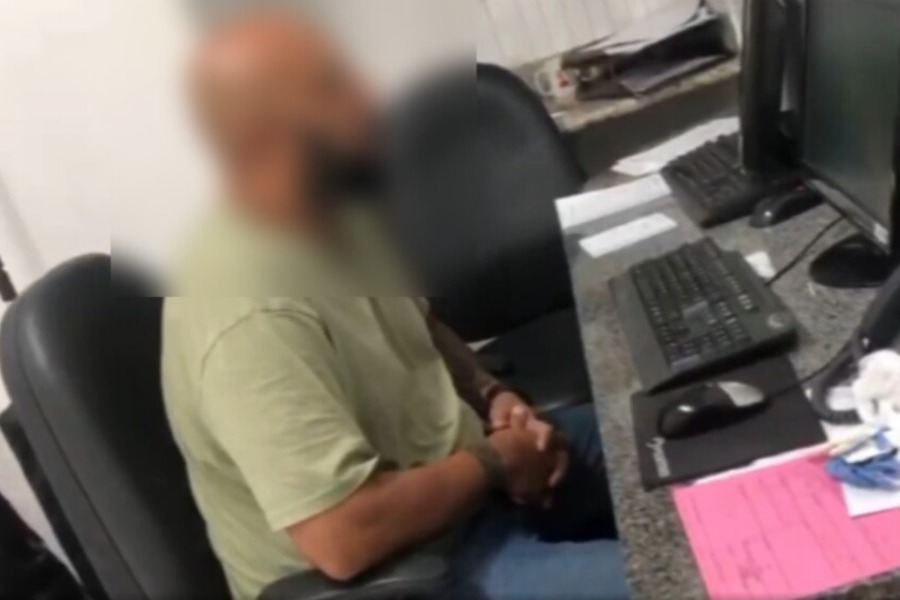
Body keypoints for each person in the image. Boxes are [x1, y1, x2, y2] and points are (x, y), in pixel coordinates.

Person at [161, 11, 627, 600]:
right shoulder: (246, 307)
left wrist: (492, 397)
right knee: (702, 581)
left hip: (468, 492)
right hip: (412, 570)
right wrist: (494, 461)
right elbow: (343, 537)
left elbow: (421, 328)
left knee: (673, 435)